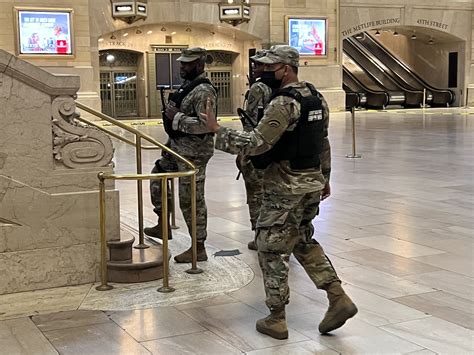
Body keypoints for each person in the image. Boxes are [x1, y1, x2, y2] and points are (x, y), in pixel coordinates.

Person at [201, 45, 357, 339]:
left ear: (286, 68)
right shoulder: (315, 96)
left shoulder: (284, 102)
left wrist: (216, 130)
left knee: (270, 246)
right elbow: (322, 142)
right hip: (310, 182)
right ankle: (338, 298)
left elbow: (258, 143)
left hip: (286, 186)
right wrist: (325, 177)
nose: (262, 71)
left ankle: (276, 317)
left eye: (268, 67)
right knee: (302, 239)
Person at [145, 47, 217, 263]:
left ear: (200, 64)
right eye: (182, 63)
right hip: (176, 147)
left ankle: (198, 246)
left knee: (191, 199)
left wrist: (177, 118)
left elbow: (207, 126)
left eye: (187, 63)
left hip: (194, 153)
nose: (182, 66)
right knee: (157, 176)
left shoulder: (204, 91)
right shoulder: (188, 86)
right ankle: (162, 224)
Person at [236, 50, 272, 251]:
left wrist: (244, 151)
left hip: (258, 148)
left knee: (255, 193)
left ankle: (259, 235)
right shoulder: (283, 87)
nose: (255, 68)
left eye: (257, 65)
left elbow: (250, 122)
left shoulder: (258, 88)